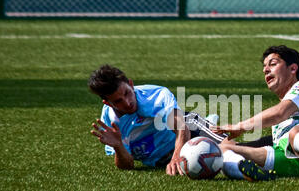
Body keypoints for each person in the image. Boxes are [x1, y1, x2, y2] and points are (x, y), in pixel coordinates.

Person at [212, 45, 299, 185]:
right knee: (220, 150)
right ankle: (242, 169)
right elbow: (270, 139)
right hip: (289, 160)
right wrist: (237, 145)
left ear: (293, 69)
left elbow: (280, 113)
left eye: (273, 64)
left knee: (296, 132)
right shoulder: (278, 125)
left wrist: (241, 126)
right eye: (264, 67)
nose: (265, 70)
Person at [88, 65, 226, 175]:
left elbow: (181, 127)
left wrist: (177, 157)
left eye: (127, 93)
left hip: (188, 129)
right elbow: (127, 165)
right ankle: (210, 122)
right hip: (160, 160)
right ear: (107, 103)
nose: (127, 102)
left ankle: (208, 126)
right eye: (118, 101)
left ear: (131, 84)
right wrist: (118, 146)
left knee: (228, 149)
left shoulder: (156, 95)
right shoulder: (109, 121)